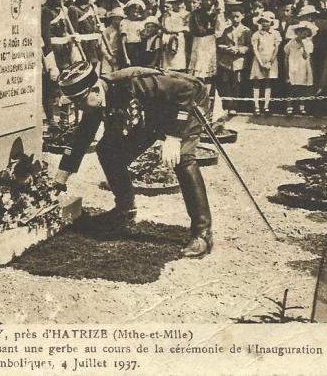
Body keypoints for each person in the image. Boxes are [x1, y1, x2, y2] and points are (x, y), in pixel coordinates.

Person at [54, 61, 213, 258]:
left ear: (95, 90)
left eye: (79, 101)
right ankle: (125, 209)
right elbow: (81, 138)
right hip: (154, 114)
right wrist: (60, 179)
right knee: (107, 150)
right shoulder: (94, 100)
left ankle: (202, 233)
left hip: (186, 104)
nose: (78, 107)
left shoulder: (133, 82)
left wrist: (173, 137)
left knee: (182, 158)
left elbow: (186, 90)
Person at [217, 6, 250, 114]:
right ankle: (228, 104)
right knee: (226, 82)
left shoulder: (246, 30)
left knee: (237, 83)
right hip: (227, 61)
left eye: (237, 16)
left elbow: (249, 46)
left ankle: (235, 106)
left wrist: (239, 50)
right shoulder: (226, 30)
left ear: (242, 16)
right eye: (233, 17)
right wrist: (227, 48)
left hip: (239, 61)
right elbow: (220, 44)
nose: (235, 19)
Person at [188, 0, 222, 91]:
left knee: (209, 71)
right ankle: (198, 94)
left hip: (211, 43)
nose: (209, 2)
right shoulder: (196, 13)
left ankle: (206, 95)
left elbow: (220, 31)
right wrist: (211, 22)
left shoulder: (217, 14)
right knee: (198, 70)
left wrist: (217, 17)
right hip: (199, 43)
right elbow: (199, 30)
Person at [249, 11, 282, 114]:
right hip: (259, 61)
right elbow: (255, 49)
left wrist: (270, 62)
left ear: (271, 23)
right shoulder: (256, 34)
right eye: (262, 21)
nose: (264, 23)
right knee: (257, 82)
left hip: (270, 61)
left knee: (268, 83)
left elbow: (276, 48)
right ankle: (256, 106)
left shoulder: (276, 33)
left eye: (267, 21)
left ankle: (266, 106)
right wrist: (261, 63)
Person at [68, 0, 103, 72]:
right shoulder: (73, 9)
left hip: (94, 46)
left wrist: (98, 29)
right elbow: (73, 32)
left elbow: (95, 26)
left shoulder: (92, 7)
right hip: (82, 47)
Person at [284, 21, 317, 114]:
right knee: (291, 87)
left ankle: (301, 107)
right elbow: (286, 55)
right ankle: (289, 107)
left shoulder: (308, 43)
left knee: (302, 88)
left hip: (303, 67)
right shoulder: (291, 42)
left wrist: (303, 45)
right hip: (292, 66)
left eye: (305, 32)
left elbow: (306, 56)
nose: (302, 34)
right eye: (300, 32)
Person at [159, 0, 189, 72]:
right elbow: (167, 27)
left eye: (181, 2)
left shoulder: (185, 14)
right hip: (170, 38)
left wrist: (184, 29)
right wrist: (181, 29)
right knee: (170, 60)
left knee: (180, 59)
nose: (179, 5)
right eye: (176, 3)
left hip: (180, 38)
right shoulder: (168, 14)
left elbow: (188, 27)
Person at [119, 0, 146, 67]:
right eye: (133, 11)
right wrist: (126, 57)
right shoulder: (124, 22)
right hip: (129, 48)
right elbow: (123, 42)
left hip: (138, 48)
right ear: (128, 11)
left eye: (137, 12)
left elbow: (143, 35)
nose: (135, 14)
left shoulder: (139, 23)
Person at [99, 6, 124, 73]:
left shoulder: (122, 30)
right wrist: (109, 57)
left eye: (119, 19)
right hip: (108, 58)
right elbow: (103, 47)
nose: (117, 21)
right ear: (111, 19)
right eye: (115, 19)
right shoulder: (107, 31)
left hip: (119, 57)